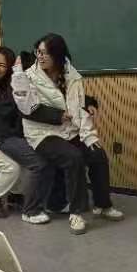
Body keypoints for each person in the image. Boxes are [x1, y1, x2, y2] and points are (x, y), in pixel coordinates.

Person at [12, 33, 123, 234]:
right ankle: (76, 212)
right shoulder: (28, 77)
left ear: (58, 54)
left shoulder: (71, 75)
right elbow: (26, 109)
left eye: (45, 53)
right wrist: (59, 116)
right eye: (38, 52)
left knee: (97, 154)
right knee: (73, 157)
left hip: (69, 130)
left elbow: (76, 100)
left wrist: (90, 105)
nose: (40, 56)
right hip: (42, 133)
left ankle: (103, 204)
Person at [0, 46, 62, 222]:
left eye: (2, 65)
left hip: (2, 136)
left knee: (26, 161)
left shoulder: (10, 85)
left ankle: (15, 196)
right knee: (11, 167)